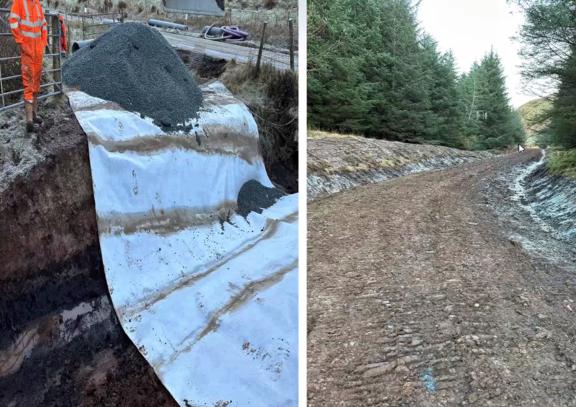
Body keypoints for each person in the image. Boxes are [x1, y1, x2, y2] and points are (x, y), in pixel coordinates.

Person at [8, 0, 48, 133]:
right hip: (27, 51)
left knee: (36, 84)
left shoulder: (37, 4)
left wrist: (43, 43)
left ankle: (35, 114)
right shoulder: (19, 2)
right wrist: (21, 42)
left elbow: (43, 25)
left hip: (38, 53)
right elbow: (13, 22)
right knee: (28, 84)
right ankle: (29, 121)